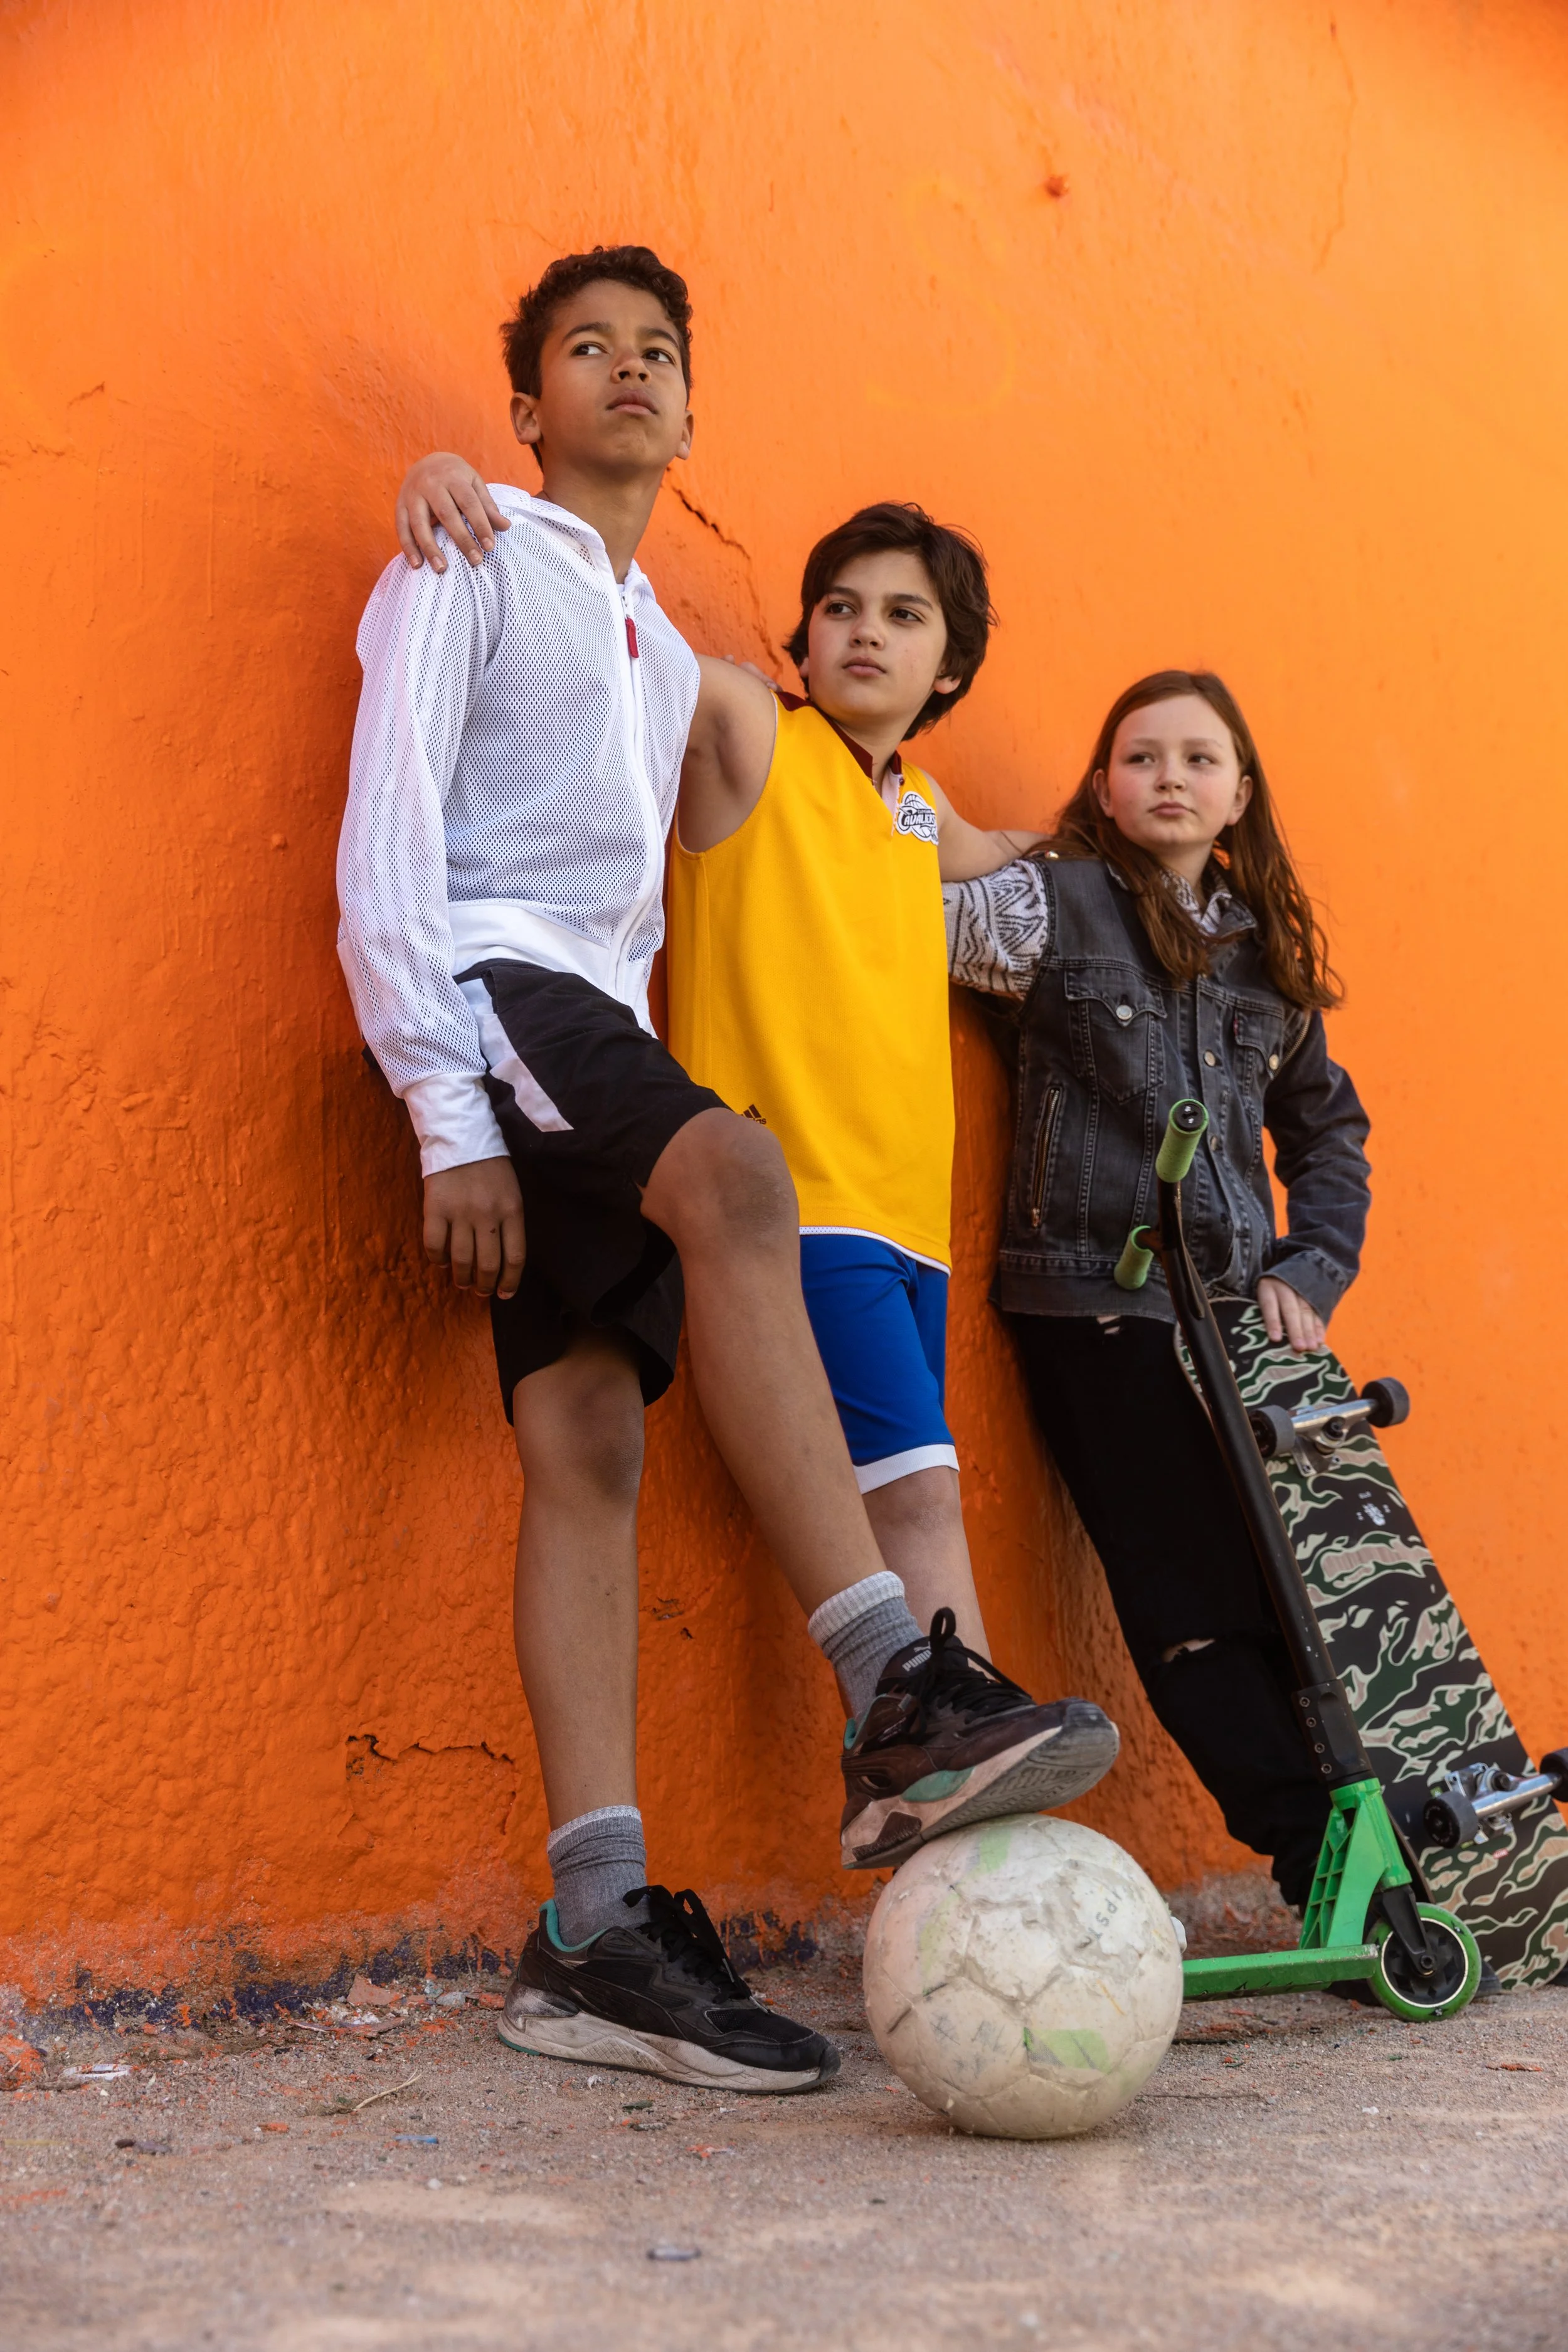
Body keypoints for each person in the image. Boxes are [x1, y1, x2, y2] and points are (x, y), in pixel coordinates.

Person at [340, 243, 1110, 2095]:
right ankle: (892, 1685)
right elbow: (389, 833)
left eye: (656, 352)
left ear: (690, 412)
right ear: (526, 404)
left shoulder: (647, 646)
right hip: (501, 989)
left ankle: (593, 1926)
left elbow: (903, 811)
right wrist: (449, 1111)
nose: (626, 371)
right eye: (582, 350)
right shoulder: (465, 560)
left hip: (588, 1016)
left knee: (589, 1445)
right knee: (743, 1179)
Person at [945, 670, 1372, 1911]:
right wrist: (1010, 844)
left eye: (1197, 758)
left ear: (1239, 792)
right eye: (1139, 758)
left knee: (1287, 1579)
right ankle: (1309, 1851)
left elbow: (1327, 1136)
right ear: (1102, 788)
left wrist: (1312, 1265)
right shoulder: (1053, 909)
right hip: (1094, 1309)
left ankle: (1371, 1831)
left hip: (1237, 1318)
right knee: (1184, 1587)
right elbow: (890, 890)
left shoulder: (1265, 961)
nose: (1168, 777)